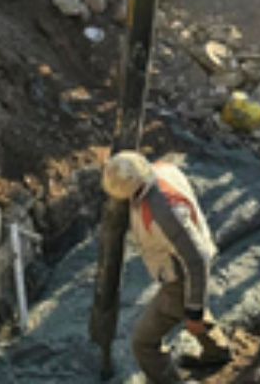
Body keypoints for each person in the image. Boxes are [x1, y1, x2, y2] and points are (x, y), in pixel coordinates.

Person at [101, 151, 232, 383]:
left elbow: (197, 259)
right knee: (195, 309)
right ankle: (217, 353)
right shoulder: (162, 169)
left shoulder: (164, 212)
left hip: (180, 275)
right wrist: (195, 309)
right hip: (188, 254)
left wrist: (193, 311)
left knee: (143, 343)